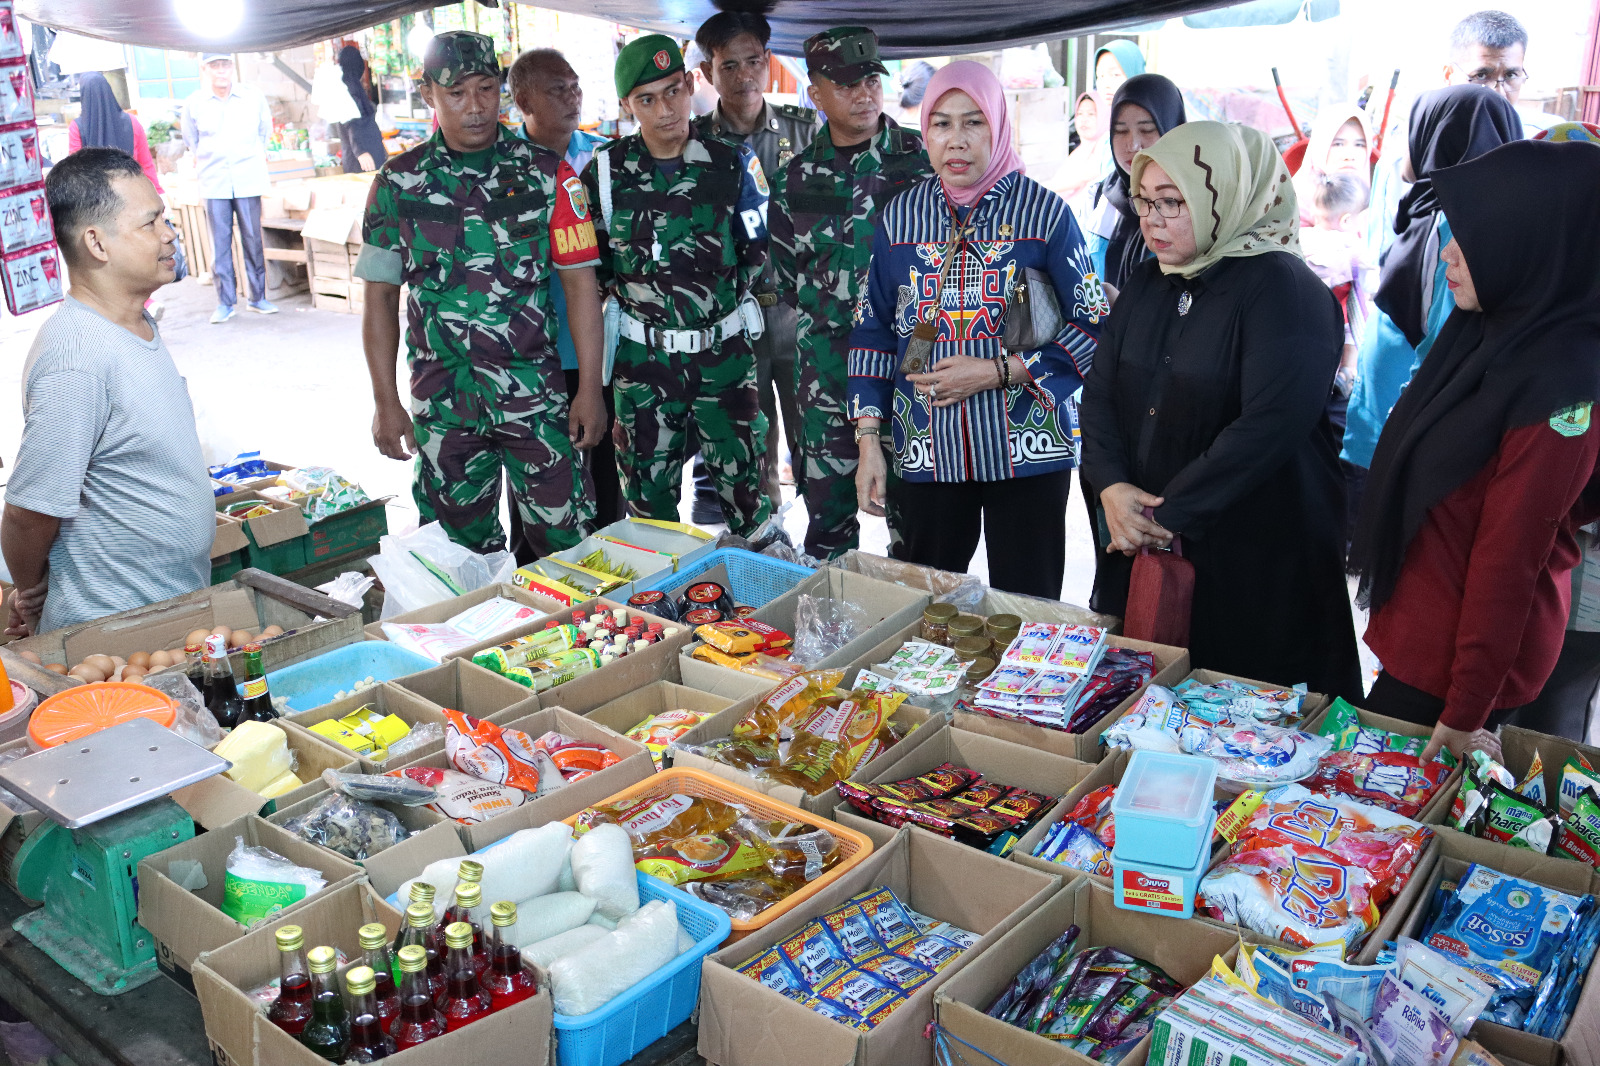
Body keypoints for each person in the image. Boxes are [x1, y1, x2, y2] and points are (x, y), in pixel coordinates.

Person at [1079, 121, 1361, 698]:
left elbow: (1266, 430)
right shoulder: (1149, 280)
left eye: (1172, 202)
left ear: (1224, 195)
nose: (1150, 220)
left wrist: (1160, 516)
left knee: (1242, 718)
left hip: (1253, 555)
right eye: (1143, 201)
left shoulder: (1286, 291)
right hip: (1141, 536)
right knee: (1145, 701)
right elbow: (1101, 389)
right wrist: (1110, 486)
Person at [1351, 139, 1600, 759]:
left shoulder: (1563, 388)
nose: (1447, 255)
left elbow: (1511, 558)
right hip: (1426, 635)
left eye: (1473, 237)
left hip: (1465, 670)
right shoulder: (1490, 332)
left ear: (1534, 242)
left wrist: (1467, 711)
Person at [848, 61, 1100, 599]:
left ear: (999, 125)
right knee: (930, 605)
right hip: (928, 449)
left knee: (1028, 605)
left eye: (973, 122)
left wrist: (999, 372)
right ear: (924, 132)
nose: (955, 141)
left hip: (1027, 449)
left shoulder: (1046, 214)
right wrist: (869, 439)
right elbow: (873, 331)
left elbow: (1093, 326)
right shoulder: (900, 219)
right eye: (941, 124)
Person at [354, 31, 607, 558]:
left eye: (486, 89)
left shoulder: (548, 175)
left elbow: (582, 284)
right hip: (444, 406)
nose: (475, 107)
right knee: (454, 557)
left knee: (569, 549)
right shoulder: (397, 184)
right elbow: (379, 300)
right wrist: (385, 402)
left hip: (535, 402)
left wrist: (589, 389)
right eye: (456, 93)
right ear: (428, 94)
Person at [2, 148, 211, 638]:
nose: (169, 233)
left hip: (167, 609)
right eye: (150, 223)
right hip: (111, 629)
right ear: (97, 244)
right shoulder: (77, 359)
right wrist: (29, 590)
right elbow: (28, 512)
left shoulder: (133, 324)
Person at [582, 35, 771, 537]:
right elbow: (594, 272)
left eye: (673, 91)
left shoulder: (734, 164)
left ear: (690, 86)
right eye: (647, 99)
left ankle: (755, 599)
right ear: (627, 105)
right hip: (642, 365)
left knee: (748, 500)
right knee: (648, 512)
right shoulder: (602, 173)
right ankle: (664, 610)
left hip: (724, 359)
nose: (665, 109)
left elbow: (755, 254)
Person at [768, 26, 931, 560]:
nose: (864, 92)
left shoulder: (922, 161)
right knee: (828, 525)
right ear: (815, 94)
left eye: (871, 79)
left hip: (911, 367)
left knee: (918, 528)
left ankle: (915, 635)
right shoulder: (794, 178)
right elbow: (789, 276)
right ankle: (832, 636)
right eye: (845, 83)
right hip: (827, 378)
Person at [1340, 86, 1520, 476]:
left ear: (1434, 135)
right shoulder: (1421, 198)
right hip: (1400, 414)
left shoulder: (1462, 224)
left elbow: (1444, 337)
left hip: (1411, 421)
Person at [693, 10, 818, 514]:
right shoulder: (694, 141)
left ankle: (824, 556)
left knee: (818, 450)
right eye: (729, 66)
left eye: (753, 62)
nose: (744, 76)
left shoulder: (805, 132)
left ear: (767, 64)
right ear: (708, 73)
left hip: (798, 318)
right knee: (749, 458)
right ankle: (767, 558)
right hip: (734, 325)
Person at [508, 47, 623, 551]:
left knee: (600, 474)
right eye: (557, 89)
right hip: (525, 354)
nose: (572, 96)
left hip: (590, 348)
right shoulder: (504, 169)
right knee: (533, 482)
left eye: (575, 84)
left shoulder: (603, 160)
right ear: (521, 101)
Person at [181, 53, 278, 323]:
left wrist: (251, 156)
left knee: (253, 239)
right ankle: (225, 302)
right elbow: (192, 140)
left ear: (232, 68)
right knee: (220, 244)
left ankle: (258, 298)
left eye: (225, 65)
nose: (221, 71)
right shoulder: (194, 103)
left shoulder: (252, 96)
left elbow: (264, 131)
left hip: (248, 177)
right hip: (214, 181)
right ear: (205, 69)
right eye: (215, 66)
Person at [1079, 74, 1187, 300]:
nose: (1133, 144)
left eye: (1147, 130)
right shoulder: (1100, 197)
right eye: (1120, 130)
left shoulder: (1189, 204)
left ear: (1172, 128)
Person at [69, 72, 161, 192]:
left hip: (97, 198)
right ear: (109, 91)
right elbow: (146, 163)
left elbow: (74, 169)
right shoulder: (132, 122)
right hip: (131, 192)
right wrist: (157, 191)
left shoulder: (77, 127)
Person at [336, 44, 386, 174]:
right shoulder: (348, 90)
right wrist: (361, 152)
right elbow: (351, 122)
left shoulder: (353, 87)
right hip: (362, 160)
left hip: (367, 155)